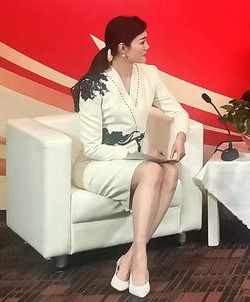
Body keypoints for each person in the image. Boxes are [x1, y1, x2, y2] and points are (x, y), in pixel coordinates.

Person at [72, 16, 189, 298]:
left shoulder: (149, 75)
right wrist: (140, 156)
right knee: (152, 170)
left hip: (134, 161)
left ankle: (129, 257)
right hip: (96, 165)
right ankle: (141, 261)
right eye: (142, 41)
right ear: (123, 48)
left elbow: (178, 111)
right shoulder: (93, 85)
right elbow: (92, 148)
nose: (148, 47)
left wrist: (180, 136)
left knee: (171, 171)